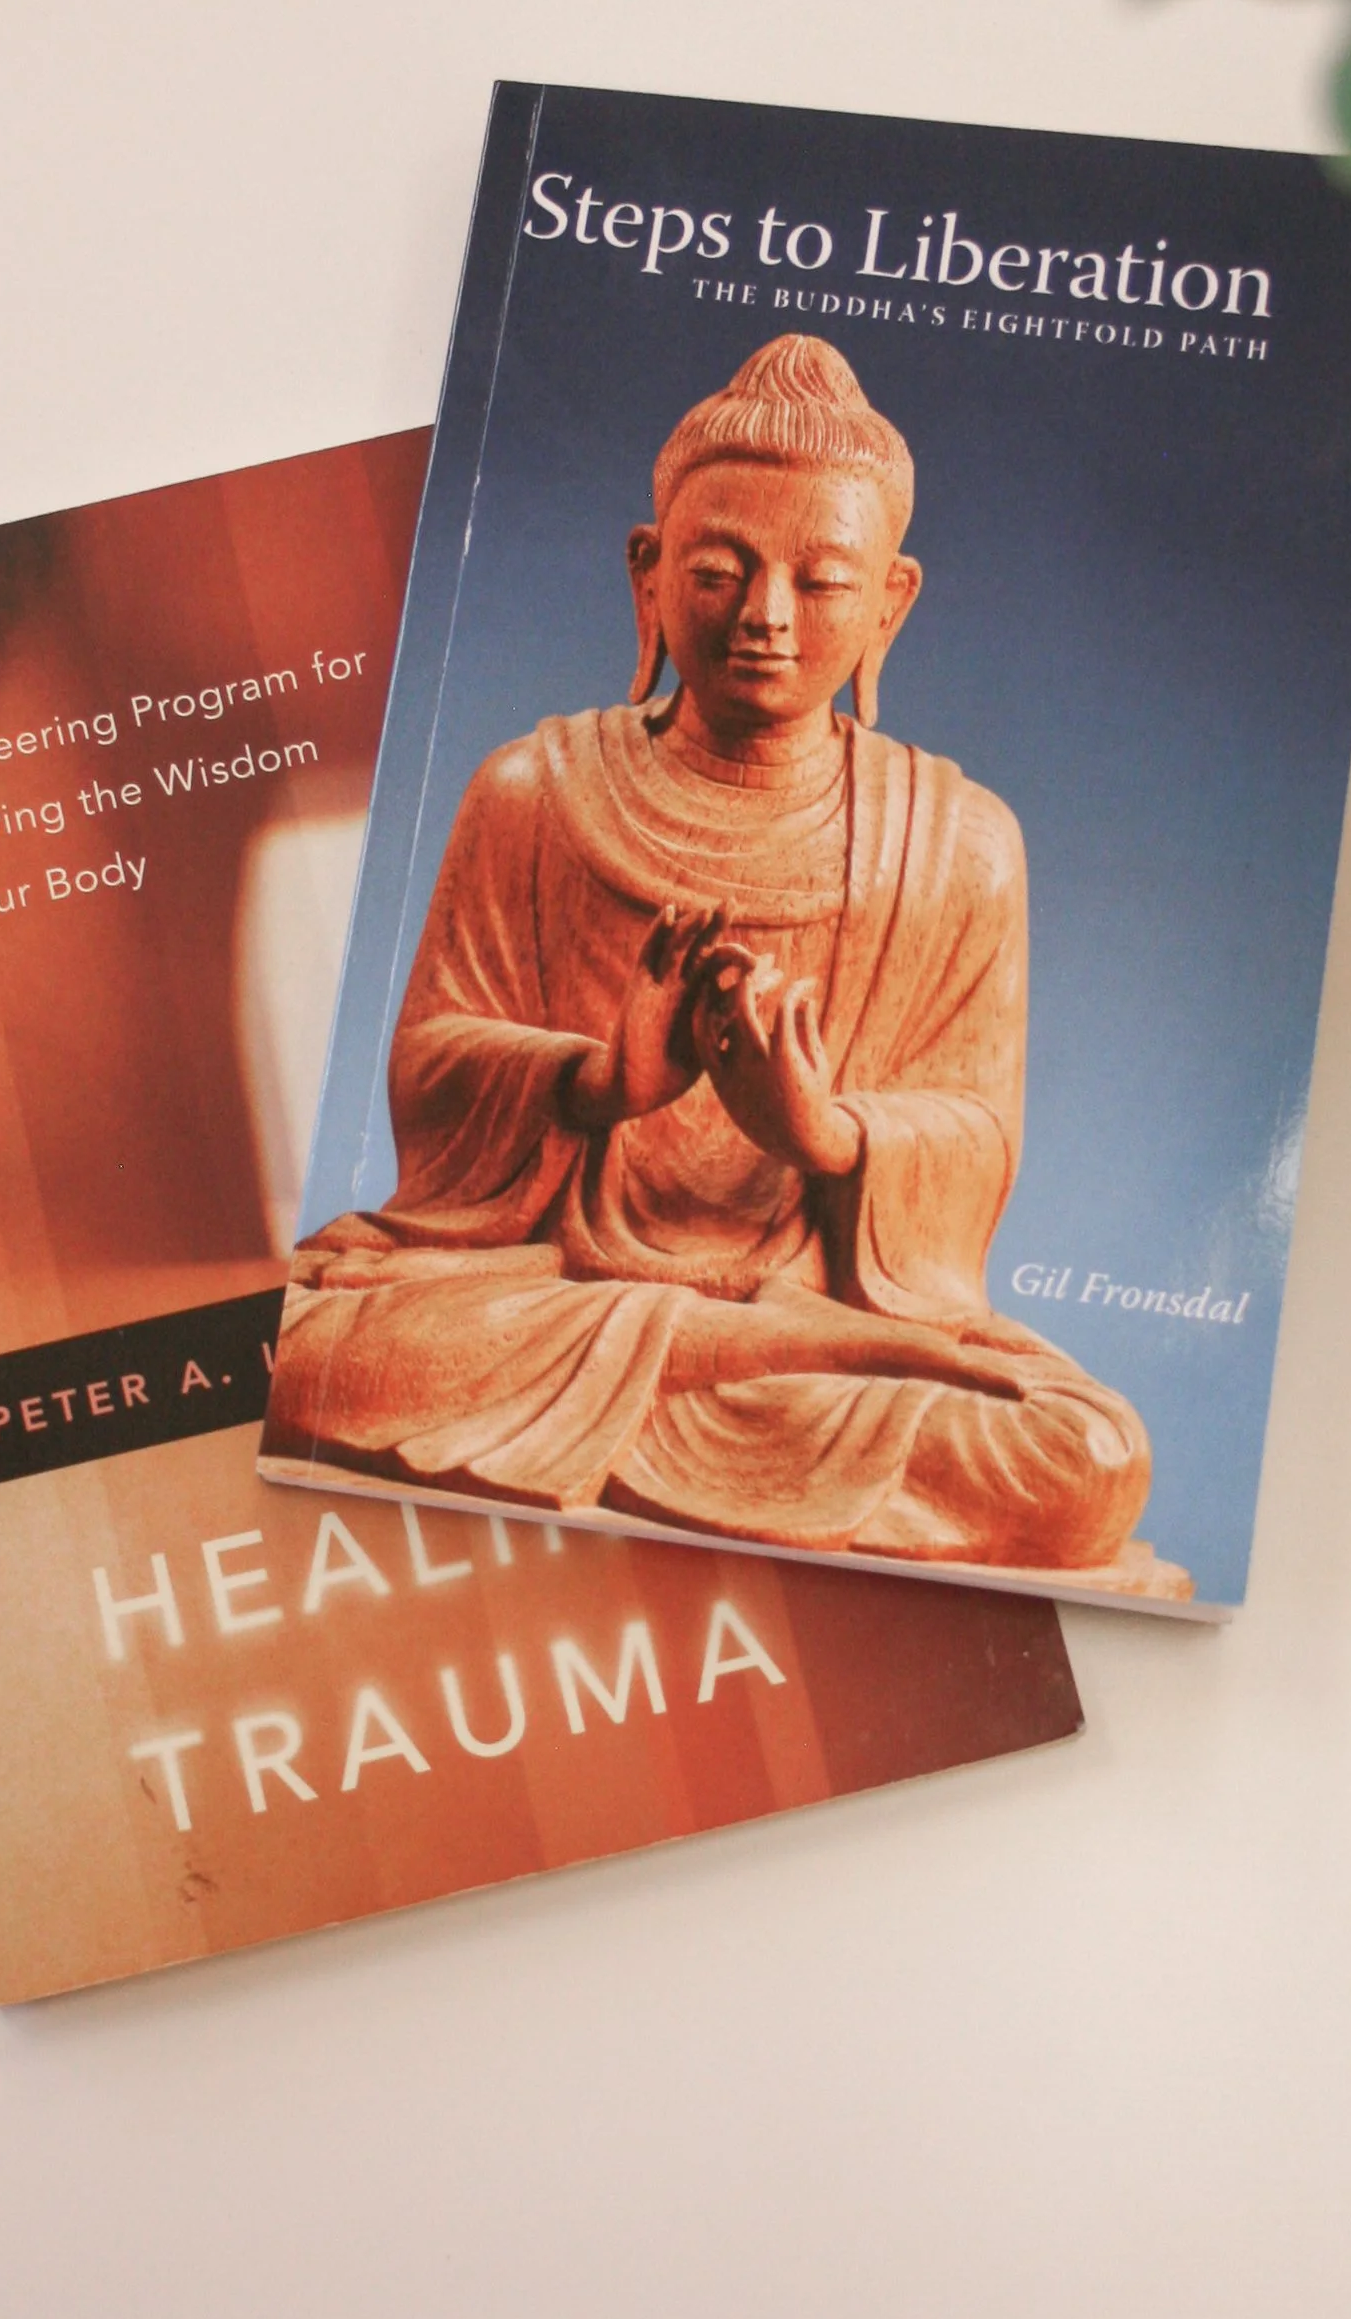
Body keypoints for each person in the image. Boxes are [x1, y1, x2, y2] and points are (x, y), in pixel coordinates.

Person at [263, 334, 1188, 1594]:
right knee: (303, 1352)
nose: (765, 615)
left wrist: (825, 1131)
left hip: (809, 1305)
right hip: (546, 1288)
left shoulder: (957, 843)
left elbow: (974, 1126)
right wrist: (602, 1080)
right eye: (718, 570)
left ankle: (760, 1356)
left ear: (890, 601)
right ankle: (725, 1354)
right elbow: (434, 1061)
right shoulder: (532, 792)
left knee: (1083, 1460)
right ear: (646, 574)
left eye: (821, 580)